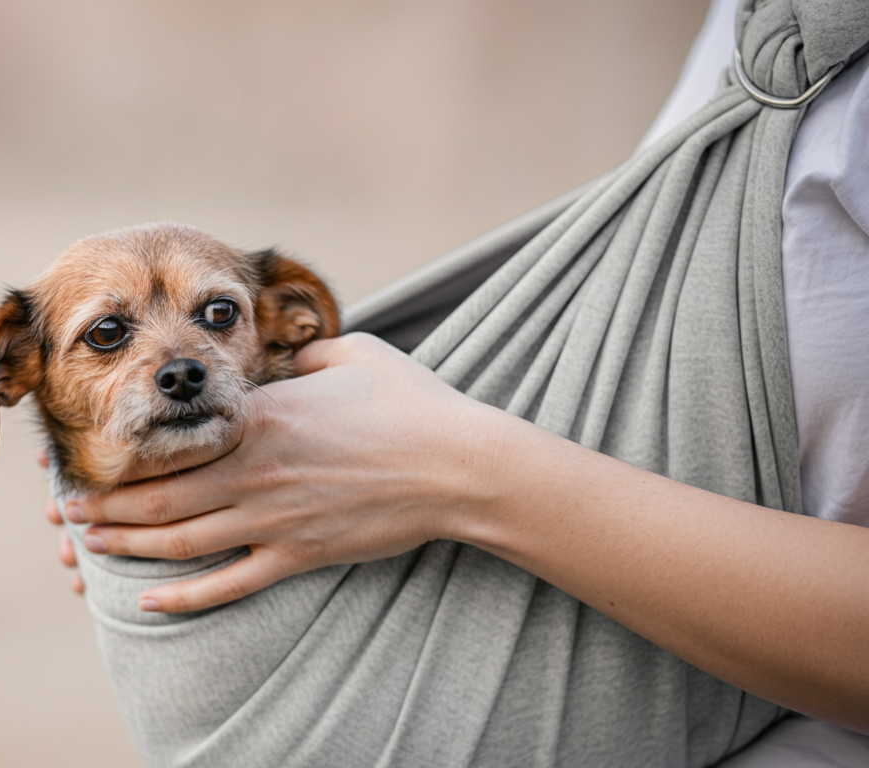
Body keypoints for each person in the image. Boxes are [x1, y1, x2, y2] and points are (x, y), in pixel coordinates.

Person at [45, 0, 869, 764]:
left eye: (218, 316)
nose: (178, 360)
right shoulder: (753, 31)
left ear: (290, 322)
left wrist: (451, 470)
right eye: (108, 337)